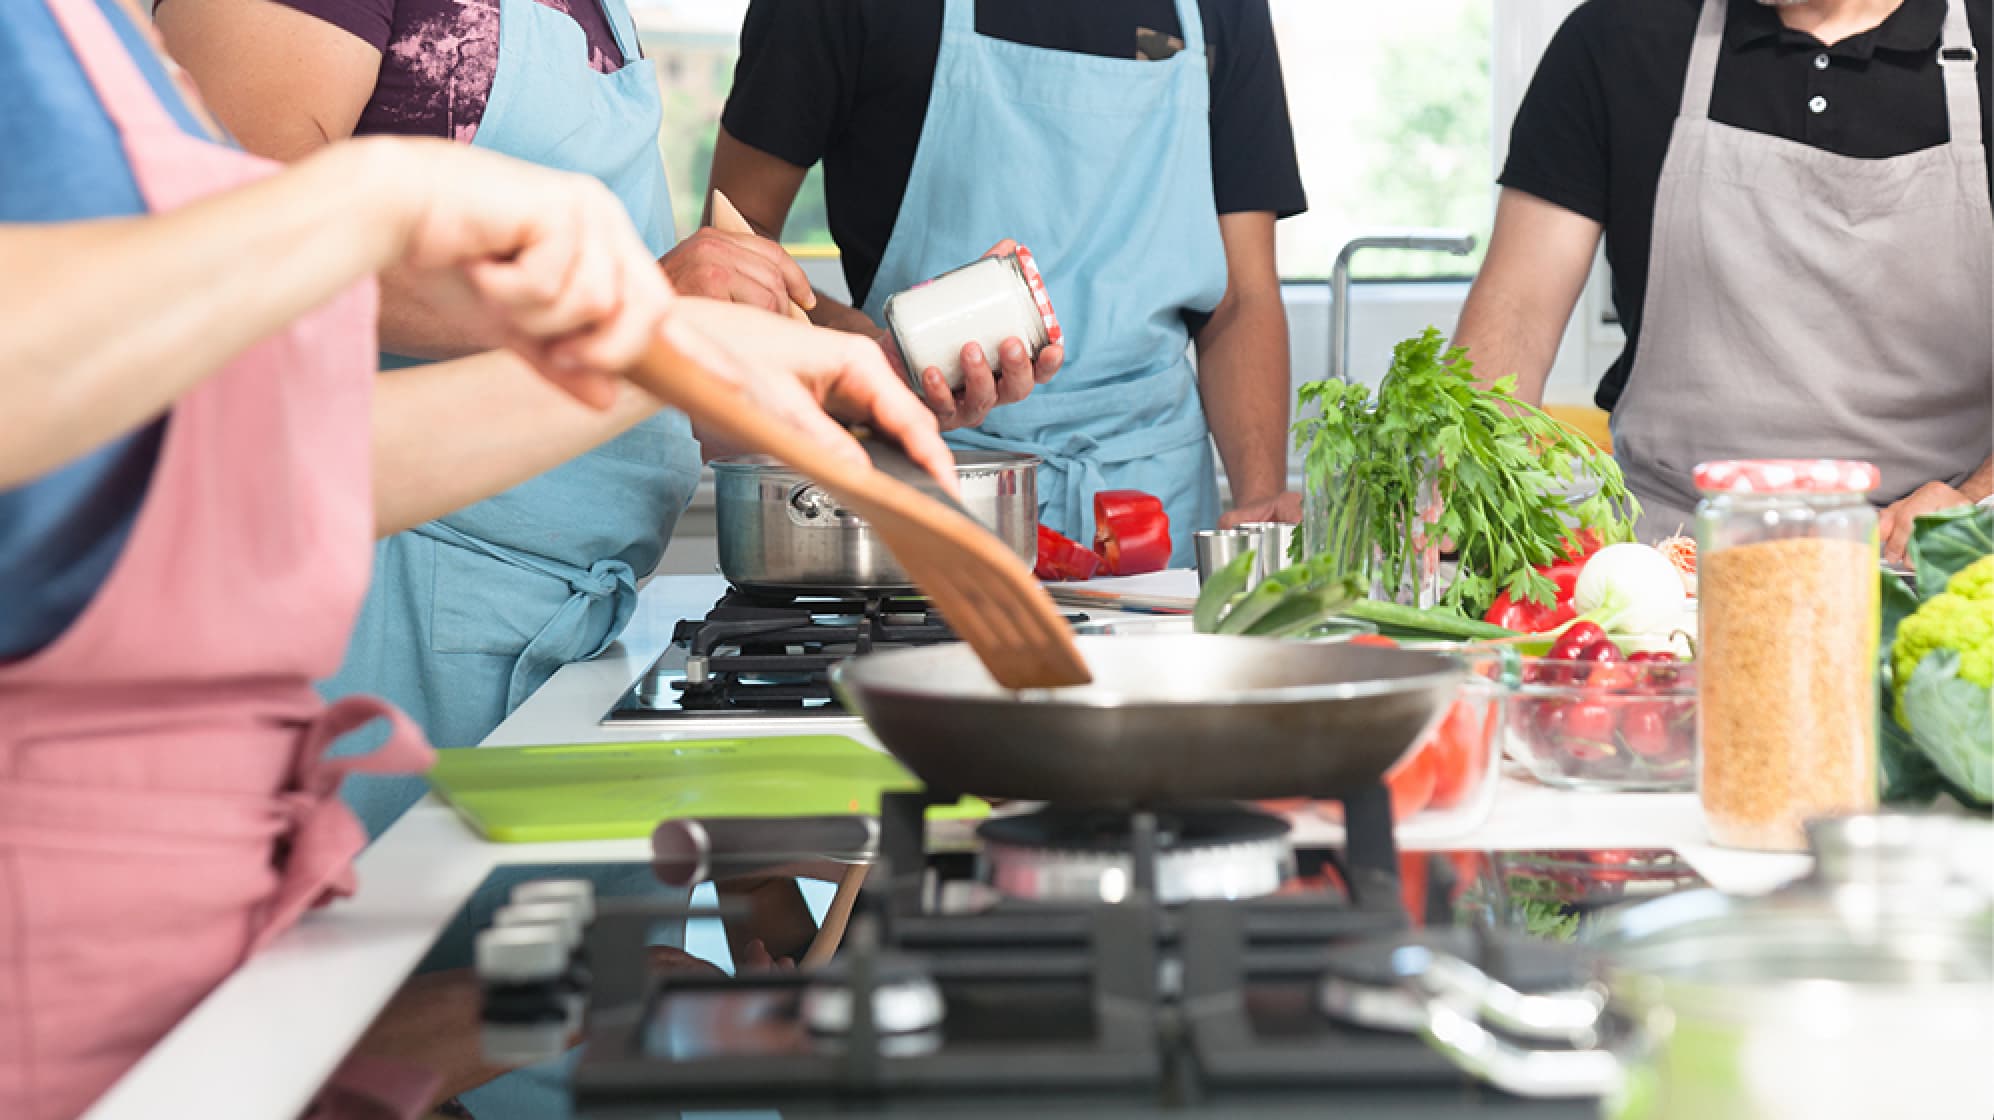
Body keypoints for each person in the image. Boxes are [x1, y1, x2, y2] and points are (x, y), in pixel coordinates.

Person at [0, 2, 947, 1115]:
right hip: (353, 665)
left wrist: (664, 350)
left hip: (509, 654)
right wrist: (378, 208)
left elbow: (266, 453)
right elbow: (210, 361)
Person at [712, 0, 1309, 563]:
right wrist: (863, 354)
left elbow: (1240, 299)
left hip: (1154, 515)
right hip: (937, 489)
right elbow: (733, 239)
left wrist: (1258, 508)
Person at [1453, 0, 1991, 562]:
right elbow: (1517, 311)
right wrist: (1464, 473)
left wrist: (1974, 503)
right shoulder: (1617, 38)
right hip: (1667, 568)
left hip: (1931, 567)